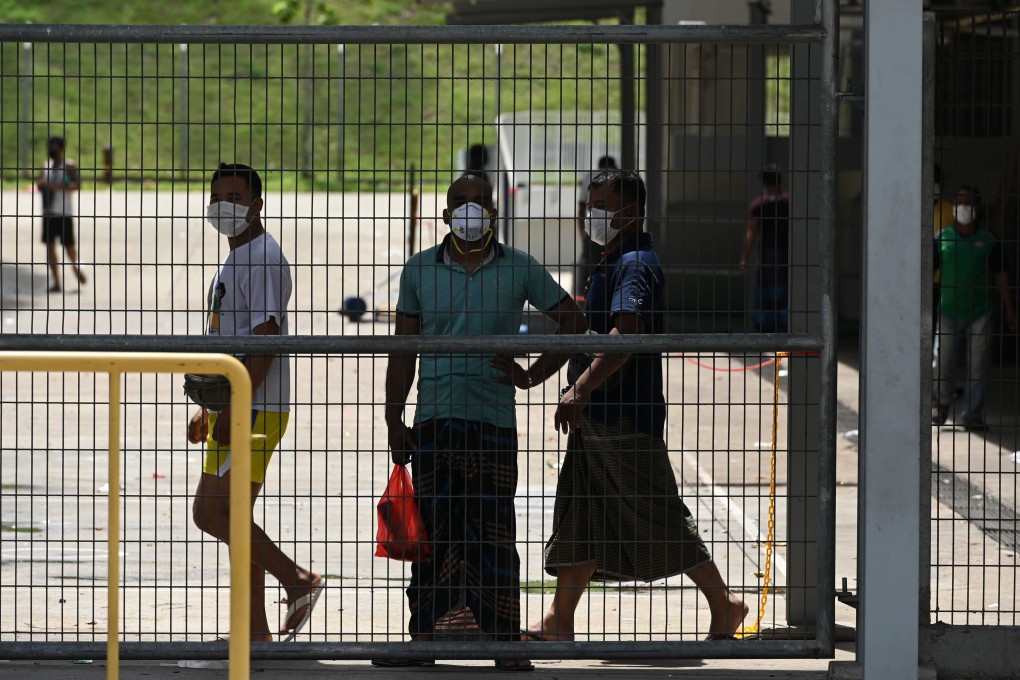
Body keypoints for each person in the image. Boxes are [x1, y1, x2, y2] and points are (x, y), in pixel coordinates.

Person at [525, 169, 749, 642]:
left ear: (631, 210)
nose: (592, 215)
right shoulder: (610, 261)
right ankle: (557, 620)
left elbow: (625, 336)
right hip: (598, 418)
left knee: (655, 513)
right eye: (591, 205)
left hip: (624, 414)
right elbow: (584, 331)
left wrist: (580, 388)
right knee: (580, 512)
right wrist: (538, 376)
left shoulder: (635, 265)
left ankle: (724, 603)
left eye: (603, 205)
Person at [379, 173, 586, 670]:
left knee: (495, 533)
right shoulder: (418, 270)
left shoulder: (519, 268)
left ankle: (502, 643)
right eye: (459, 202)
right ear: (446, 214)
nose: (469, 210)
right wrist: (393, 417)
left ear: (493, 211)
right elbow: (402, 351)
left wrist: (532, 374)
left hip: (492, 421)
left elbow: (573, 322)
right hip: (434, 421)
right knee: (434, 532)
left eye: (479, 202)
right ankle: (424, 638)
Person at [186, 163, 322, 642]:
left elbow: (266, 339)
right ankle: (256, 631)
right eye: (218, 195)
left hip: (258, 404)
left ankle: (297, 579)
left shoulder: (263, 256)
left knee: (211, 513)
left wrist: (239, 406)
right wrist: (211, 405)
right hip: (240, 402)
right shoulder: (236, 257)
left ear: (257, 205)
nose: (225, 205)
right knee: (231, 517)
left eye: (236, 197)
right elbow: (230, 340)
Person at [931, 185, 1017, 431]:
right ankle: (941, 404)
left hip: (981, 311)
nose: (963, 208)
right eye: (959, 202)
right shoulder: (941, 238)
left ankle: (972, 414)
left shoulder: (988, 240)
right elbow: (928, 272)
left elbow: (1001, 276)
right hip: (948, 310)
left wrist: (1010, 309)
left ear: (977, 207)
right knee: (942, 361)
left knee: (978, 365)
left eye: (968, 203)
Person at [740, 165, 790, 333]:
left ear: (764, 183)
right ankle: (783, 328)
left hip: (767, 255)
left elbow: (751, 232)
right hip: (787, 256)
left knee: (764, 293)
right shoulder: (789, 203)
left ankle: (764, 328)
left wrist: (744, 258)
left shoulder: (759, 205)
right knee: (784, 292)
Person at [37, 136, 86, 292]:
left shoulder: (69, 165)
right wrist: (42, 185)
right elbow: (40, 185)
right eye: (51, 147)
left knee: (69, 246)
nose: (52, 150)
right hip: (48, 212)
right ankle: (56, 281)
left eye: (55, 147)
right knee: (50, 248)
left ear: (61, 149)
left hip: (64, 212)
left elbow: (76, 185)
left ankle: (74, 266)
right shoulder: (46, 166)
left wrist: (53, 186)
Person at [575, 155, 618, 298]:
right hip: (616, 229)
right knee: (616, 266)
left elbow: (581, 208)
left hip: (594, 230)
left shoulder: (590, 176)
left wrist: (583, 233)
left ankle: (587, 302)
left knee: (591, 270)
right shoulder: (619, 177)